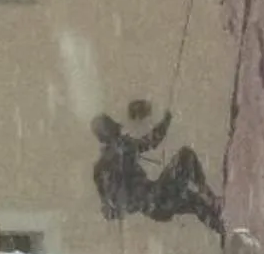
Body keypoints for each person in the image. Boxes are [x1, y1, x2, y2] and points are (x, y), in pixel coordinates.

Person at [90, 99, 221, 233]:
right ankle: (210, 198)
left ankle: (221, 229)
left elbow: (109, 211)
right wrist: (166, 120)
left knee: (194, 202)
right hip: (159, 195)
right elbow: (151, 141)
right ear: (111, 129)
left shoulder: (99, 169)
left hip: (151, 210)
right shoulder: (122, 148)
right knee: (186, 156)